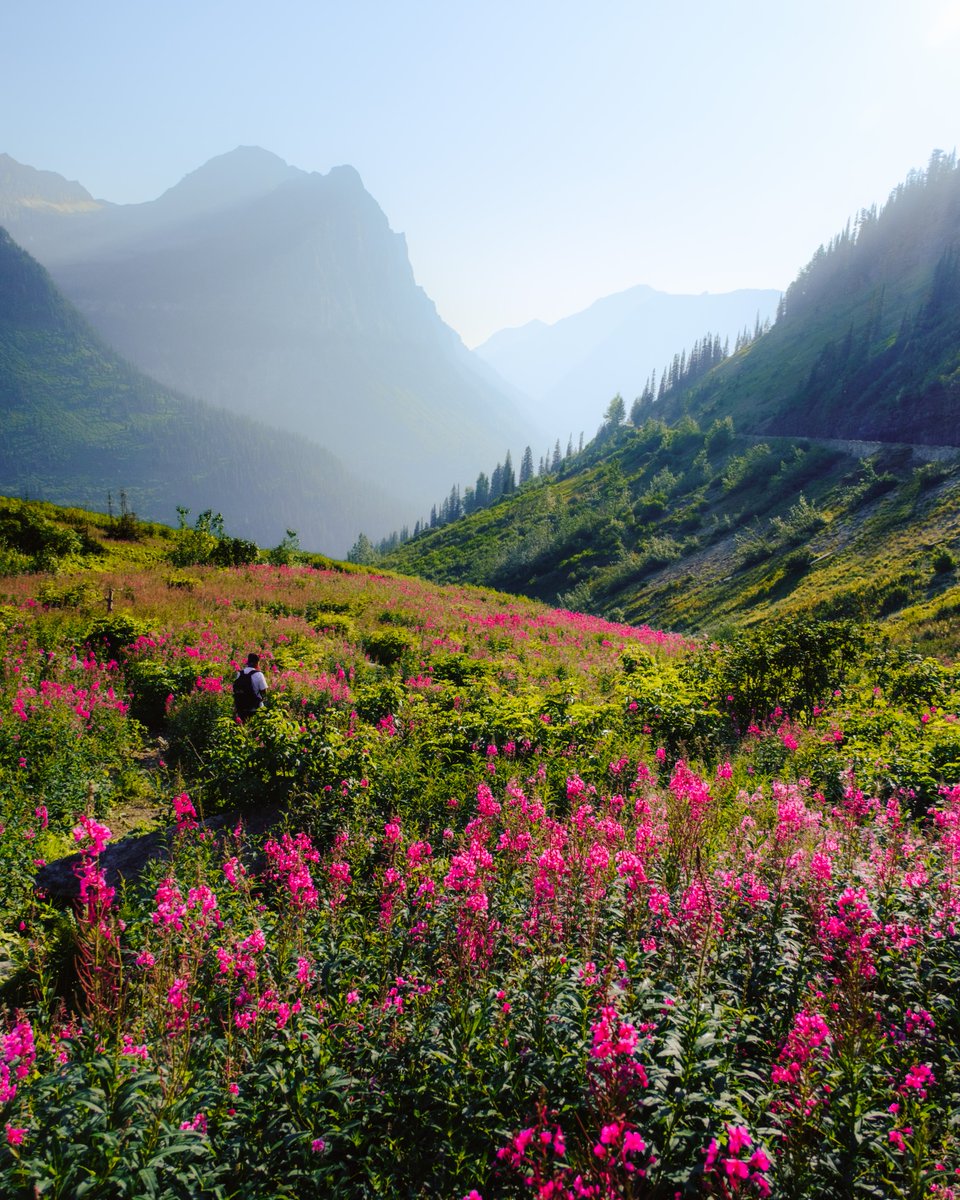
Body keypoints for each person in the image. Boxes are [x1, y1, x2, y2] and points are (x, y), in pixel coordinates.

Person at [233, 652, 267, 721]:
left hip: (241, 707)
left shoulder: (239, 673)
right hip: (255, 708)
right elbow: (264, 691)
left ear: (248, 662)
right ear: (257, 663)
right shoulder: (259, 674)